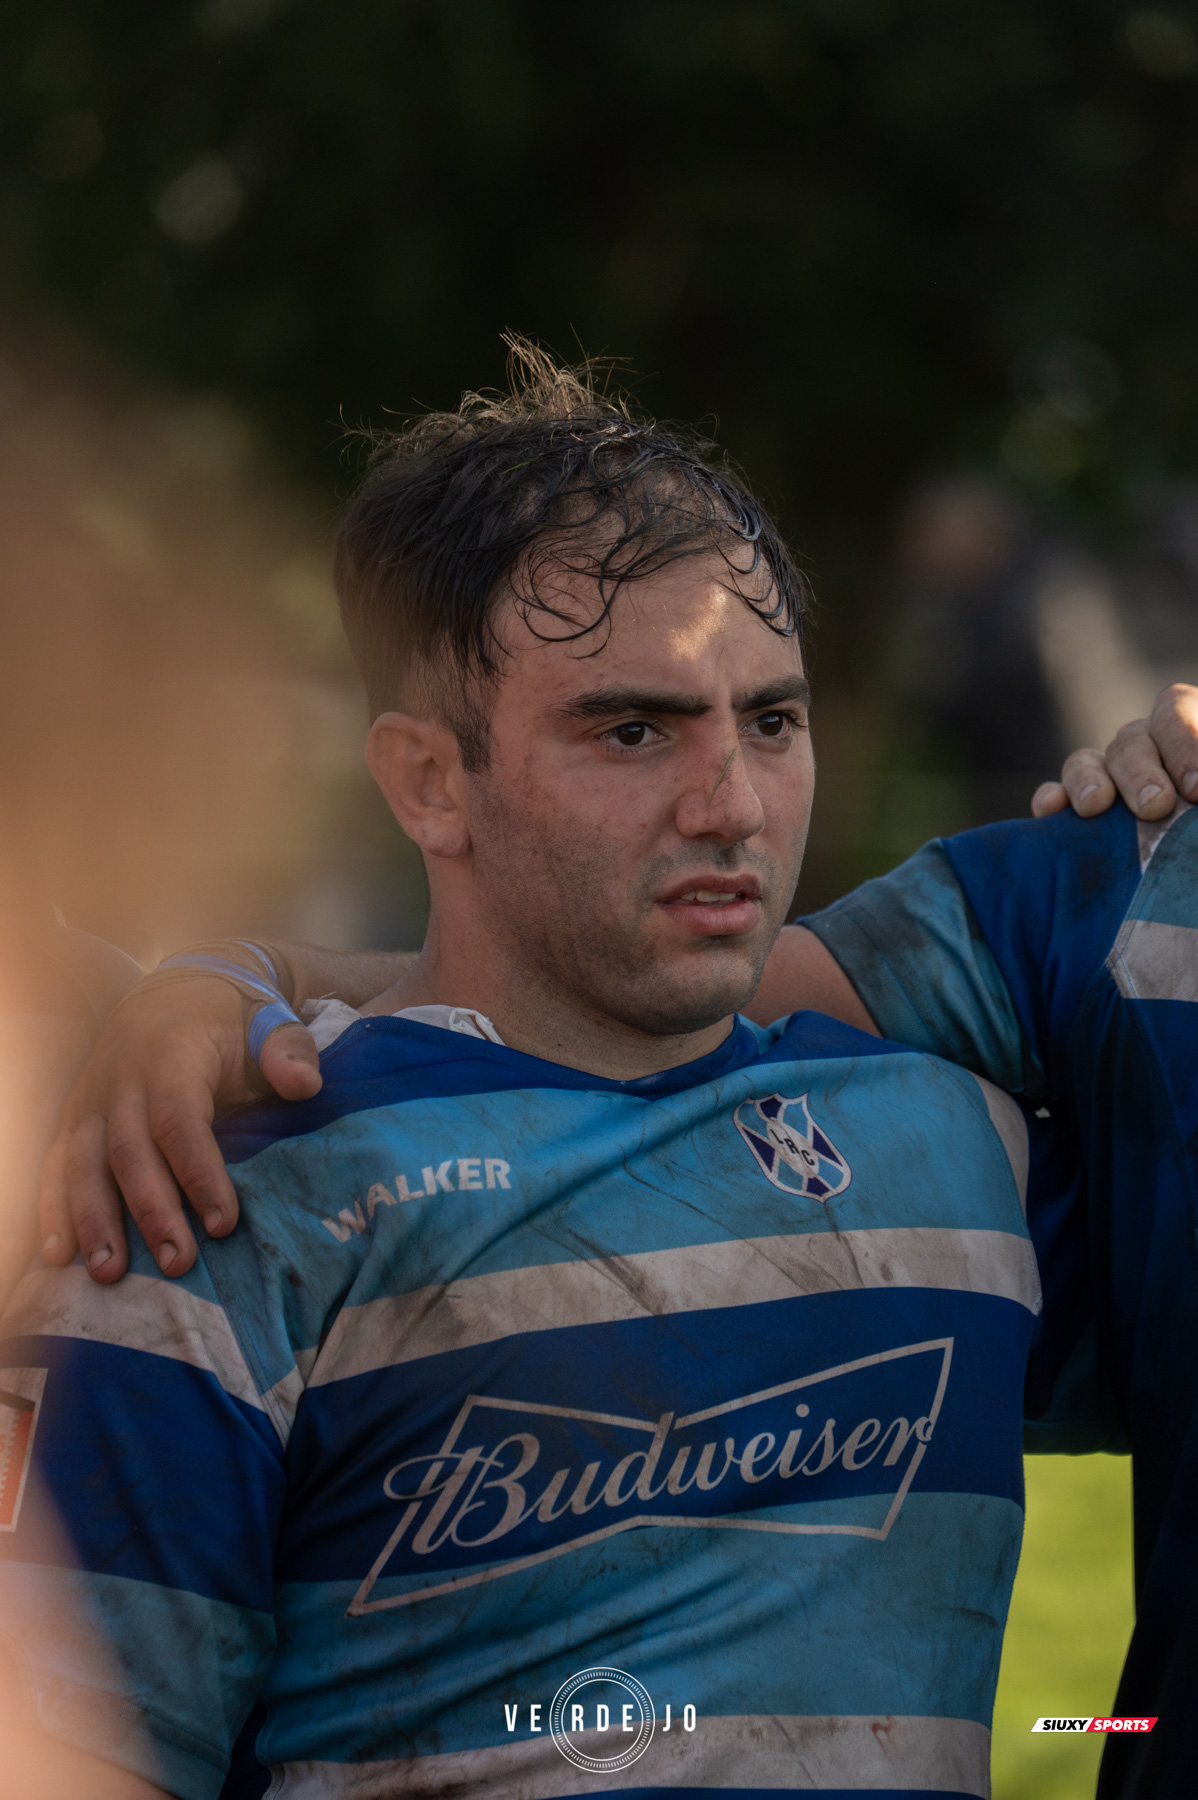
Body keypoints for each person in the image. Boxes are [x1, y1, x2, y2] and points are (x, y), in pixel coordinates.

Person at [0, 346, 1094, 1800]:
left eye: (771, 722)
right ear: (426, 782)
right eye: (632, 730)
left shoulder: (962, 1146)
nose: (730, 807)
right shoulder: (210, 1197)